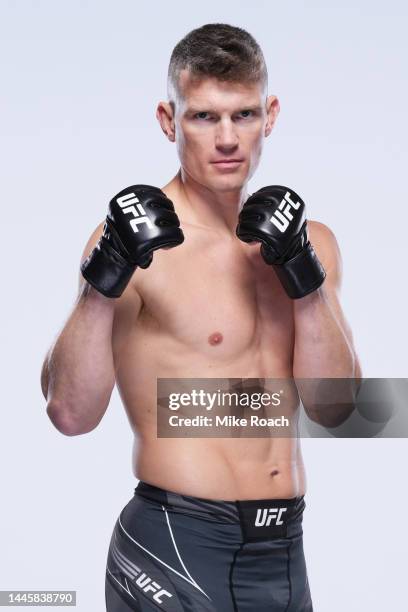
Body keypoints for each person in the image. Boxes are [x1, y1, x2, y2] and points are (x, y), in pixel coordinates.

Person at [41, 23, 361, 611]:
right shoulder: (141, 249)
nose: (227, 139)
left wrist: (306, 283)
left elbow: (335, 407)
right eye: (203, 117)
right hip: (175, 544)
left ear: (270, 115)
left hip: (285, 553)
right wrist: (101, 280)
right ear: (168, 120)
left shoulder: (312, 243)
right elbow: (69, 413)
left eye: (243, 115)